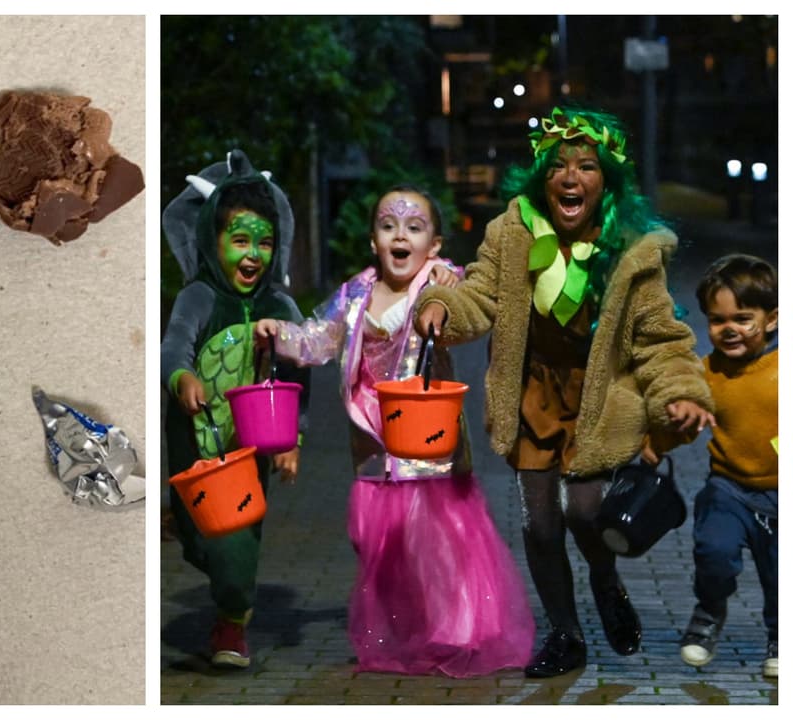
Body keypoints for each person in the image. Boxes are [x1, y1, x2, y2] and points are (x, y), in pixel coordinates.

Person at [414, 105, 715, 678]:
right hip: (534, 392)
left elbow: (660, 336)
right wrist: (442, 306)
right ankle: (565, 633)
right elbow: (479, 294)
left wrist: (683, 392)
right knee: (539, 523)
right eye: (558, 166)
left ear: (607, 179)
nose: (570, 178)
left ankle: (605, 580)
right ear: (542, 176)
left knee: (585, 510)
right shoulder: (513, 232)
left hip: (599, 396)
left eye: (586, 166)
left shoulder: (631, 248)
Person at [254, 185, 535, 677]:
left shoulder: (437, 284)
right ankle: (406, 628)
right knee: (378, 542)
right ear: (373, 241)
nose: (400, 235)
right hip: (373, 442)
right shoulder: (356, 294)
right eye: (388, 226)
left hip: (428, 443)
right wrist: (280, 333)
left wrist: (449, 285)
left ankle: (455, 628)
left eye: (414, 227)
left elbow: (469, 303)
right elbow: (319, 339)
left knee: (441, 542)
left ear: (434, 244)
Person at [161, 149, 310, 669]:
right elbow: (174, 347)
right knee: (200, 538)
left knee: (237, 542)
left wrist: (292, 438)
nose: (253, 254)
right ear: (212, 239)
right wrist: (181, 377)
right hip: (194, 447)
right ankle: (188, 532)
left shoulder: (280, 307)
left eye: (264, 242)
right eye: (240, 240)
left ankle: (232, 623)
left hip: (248, 452)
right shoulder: (199, 298)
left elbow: (300, 374)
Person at [679, 254, 777, 678]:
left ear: (772, 320)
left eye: (742, 318)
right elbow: (684, 422)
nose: (729, 329)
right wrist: (659, 438)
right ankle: (709, 612)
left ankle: (781, 636)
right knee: (713, 551)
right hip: (728, 487)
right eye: (718, 320)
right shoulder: (706, 373)